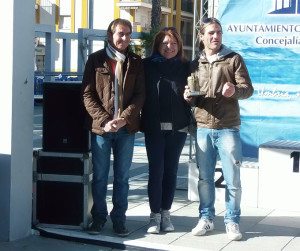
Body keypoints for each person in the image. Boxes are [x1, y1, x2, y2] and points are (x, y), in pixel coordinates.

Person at [184, 18, 253, 241]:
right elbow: (196, 98)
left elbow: (248, 89)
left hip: (228, 127)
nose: (216, 37)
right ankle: (206, 218)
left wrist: (235, 90)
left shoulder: (234, 59)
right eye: (211, 33)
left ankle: (232, 221)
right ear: (201, 37)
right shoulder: (195, 64)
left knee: (232, 179)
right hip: (203, 127)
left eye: (219, 32)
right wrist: (188, 98)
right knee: (204, 179)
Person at [81, 18, 145, 237]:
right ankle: (98, 218)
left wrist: (123, 119)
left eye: (128, 34)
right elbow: (87, 94)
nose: (125, 38)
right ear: (110, 35)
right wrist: (104, 121)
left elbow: (140, 95)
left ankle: (119, 220)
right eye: (121, 33)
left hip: (126, 129)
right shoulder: (95, 60)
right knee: (99, 176)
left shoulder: (136, 61)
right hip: (102, 130)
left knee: (122, 178)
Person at [141, 27, 191, 234]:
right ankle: (154, 216)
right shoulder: (146, 65)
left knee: (171, 171)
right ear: (157, 45)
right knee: (156, 171)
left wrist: (191, 97)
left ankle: (166, 214)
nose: (168, 47)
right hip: (153, 127)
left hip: (178, 128)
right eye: (164, 43)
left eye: (173, 43)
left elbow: (195, 93)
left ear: (179, 46)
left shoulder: (186, 67)